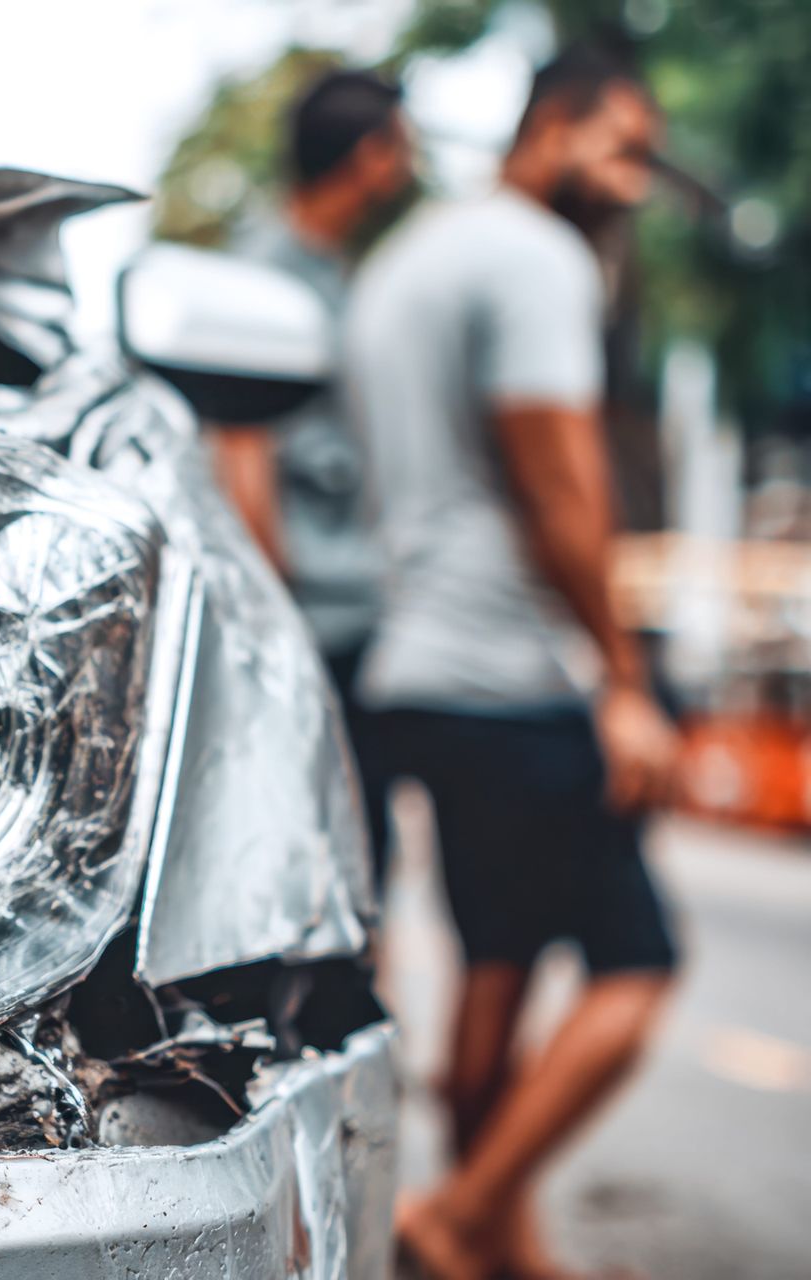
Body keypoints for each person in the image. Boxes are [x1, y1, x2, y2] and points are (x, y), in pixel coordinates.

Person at [342, 45, 680, 1280]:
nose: (636, 183)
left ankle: (497, 1245)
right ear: (552, 125)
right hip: (516, 667)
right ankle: (461, 1211)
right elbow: (558, 483)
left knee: (495, 962)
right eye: (623, 147)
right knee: (638, 969)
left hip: (416, 661)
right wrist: (626, 677)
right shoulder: (538, 258)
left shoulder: (408, 257)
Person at [212, 69, 416, 890]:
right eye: (404, 147)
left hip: (356, 613)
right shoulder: (263, 275)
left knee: (368, 857)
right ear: (370, 155)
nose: (410, 166)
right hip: (311, 629)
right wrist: (278, 623)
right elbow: (241, 461)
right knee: (326, 866)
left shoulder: (342, 274)